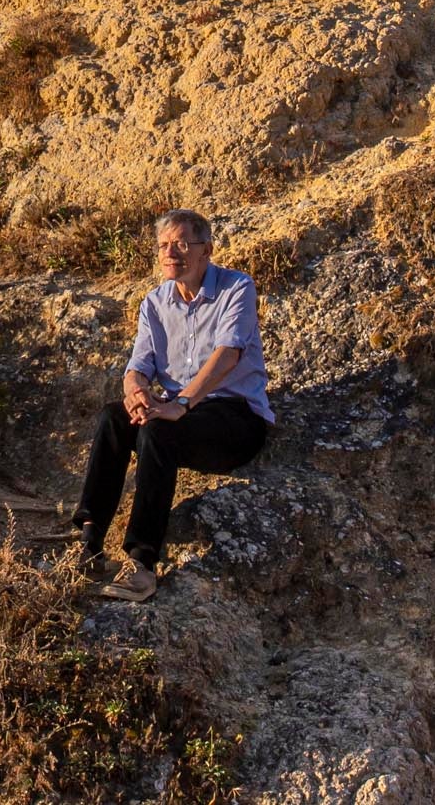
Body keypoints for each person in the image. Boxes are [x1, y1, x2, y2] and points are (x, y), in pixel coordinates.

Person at [57, 208, 273, 602]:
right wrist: (136, 392)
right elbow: (137, 367)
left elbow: (228, 355)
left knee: (158, 431)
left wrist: (184, 402)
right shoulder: (156, 302)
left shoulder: (236, 287)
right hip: (180, 412)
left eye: (181, 244)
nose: (171, 253)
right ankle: (88, 546)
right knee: (113, 417)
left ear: (206, 249)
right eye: (163, 246)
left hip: (235, 417)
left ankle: (141, 564)